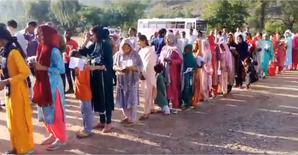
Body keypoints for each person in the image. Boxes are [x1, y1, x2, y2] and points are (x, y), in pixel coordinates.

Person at [0, 26, 34, 154]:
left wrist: (7, 81)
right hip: (10, 91)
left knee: (20, 120)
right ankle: (16, 146)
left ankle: (26, 148)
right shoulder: (5, 51)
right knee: (12, 120)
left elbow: (25, 72)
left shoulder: (14, 51)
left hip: (18, 91)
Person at [32, 25, 67, 151]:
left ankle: (61, 138)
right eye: (36, 34)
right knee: (44, 111)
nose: (37, 37)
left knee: (56, 113)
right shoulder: (41, 47)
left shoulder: (54, 50)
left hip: (53, 86)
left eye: (39, 34)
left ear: (46, 35)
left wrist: (44, 68)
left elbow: (61, 69)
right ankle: (53, 134)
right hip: (43, 84)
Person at [79, 26, 114, 132]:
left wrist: (95, 67)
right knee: (98, 98)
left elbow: (108, 64)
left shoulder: (106, 46)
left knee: (105, 97)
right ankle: (102, 120)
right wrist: (86, 40)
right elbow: (81, 52)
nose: (91, 36)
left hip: (104, 76)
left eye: (92, 34)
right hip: (95, 76)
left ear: (98, 34)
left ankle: (109, 122)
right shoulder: (94, 45)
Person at [113, 39, 143, 126]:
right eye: (123, 48)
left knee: (132, 99)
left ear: (130, 47)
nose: (125, 50)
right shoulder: (118, 54)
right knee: (123, 99)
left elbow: (141, 67)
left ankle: (132, 119)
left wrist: (133, 68)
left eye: (127, 48)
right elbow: (114, 65)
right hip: (122, 80)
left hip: (132, 81)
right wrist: (119, 69)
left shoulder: (135, 55)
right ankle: (127, 116)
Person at [70, 50, 93, 138]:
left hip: (85, 92)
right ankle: (86, 128)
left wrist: (77, 72)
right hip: (81, 93)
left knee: (87, 112)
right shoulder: (81, 65)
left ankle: (87, 130)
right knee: (84, 112)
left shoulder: (82, 66)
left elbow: (83, 80)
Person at [159, 33, 183, 113]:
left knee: (174, 87)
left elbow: (180, 60)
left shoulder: (176, 49)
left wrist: (171, 61)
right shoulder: (164, 48)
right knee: (165, 87)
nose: (167, 40)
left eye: (169, 38)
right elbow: (160, 58)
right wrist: (162, 60)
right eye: (166, 38)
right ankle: (166, 105)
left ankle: (175, 104)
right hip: (164, 70)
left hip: (173, 72)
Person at [138, 35, 157, 120]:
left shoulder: (150, 50)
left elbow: (148, 63)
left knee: (147, 93)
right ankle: (151, 108)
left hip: (148, 74)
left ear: (144, 40)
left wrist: (143, 73)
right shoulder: (141, 50)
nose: (138, 43)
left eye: (139, 41)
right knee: (147, 92)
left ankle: (146, 112)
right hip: (142, 73)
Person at [181, 44, 197, 110]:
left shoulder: (192, 58)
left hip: (189, 77)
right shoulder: (182, 57)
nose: (187, 50)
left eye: (189, 49)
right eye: (186, 48)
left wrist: (193, 71)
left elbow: (195, 69)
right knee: (182, 89)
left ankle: (187, 103)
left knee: (188, 89)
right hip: (182, 76)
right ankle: (182, 102)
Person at [63, 29, 79, 94]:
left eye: (69, 34)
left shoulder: (74, 42)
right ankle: (71, 88)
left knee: (74, 75)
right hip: (65, 61)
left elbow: (77, 51)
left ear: (71, 35)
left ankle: (77, 89)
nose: (67, 35)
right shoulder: (62, 42)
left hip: (72, 61)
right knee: (67, 75)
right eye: (66, 33)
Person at [192, 39, 203, 105]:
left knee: (196, 86)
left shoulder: (200, 54)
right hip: (191, 72)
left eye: (197, 44)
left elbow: (201, 65)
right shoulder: (191, 52)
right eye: (194, 43)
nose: (195, 45)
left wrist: (199, 64)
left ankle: (195, 100)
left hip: (197, 72)